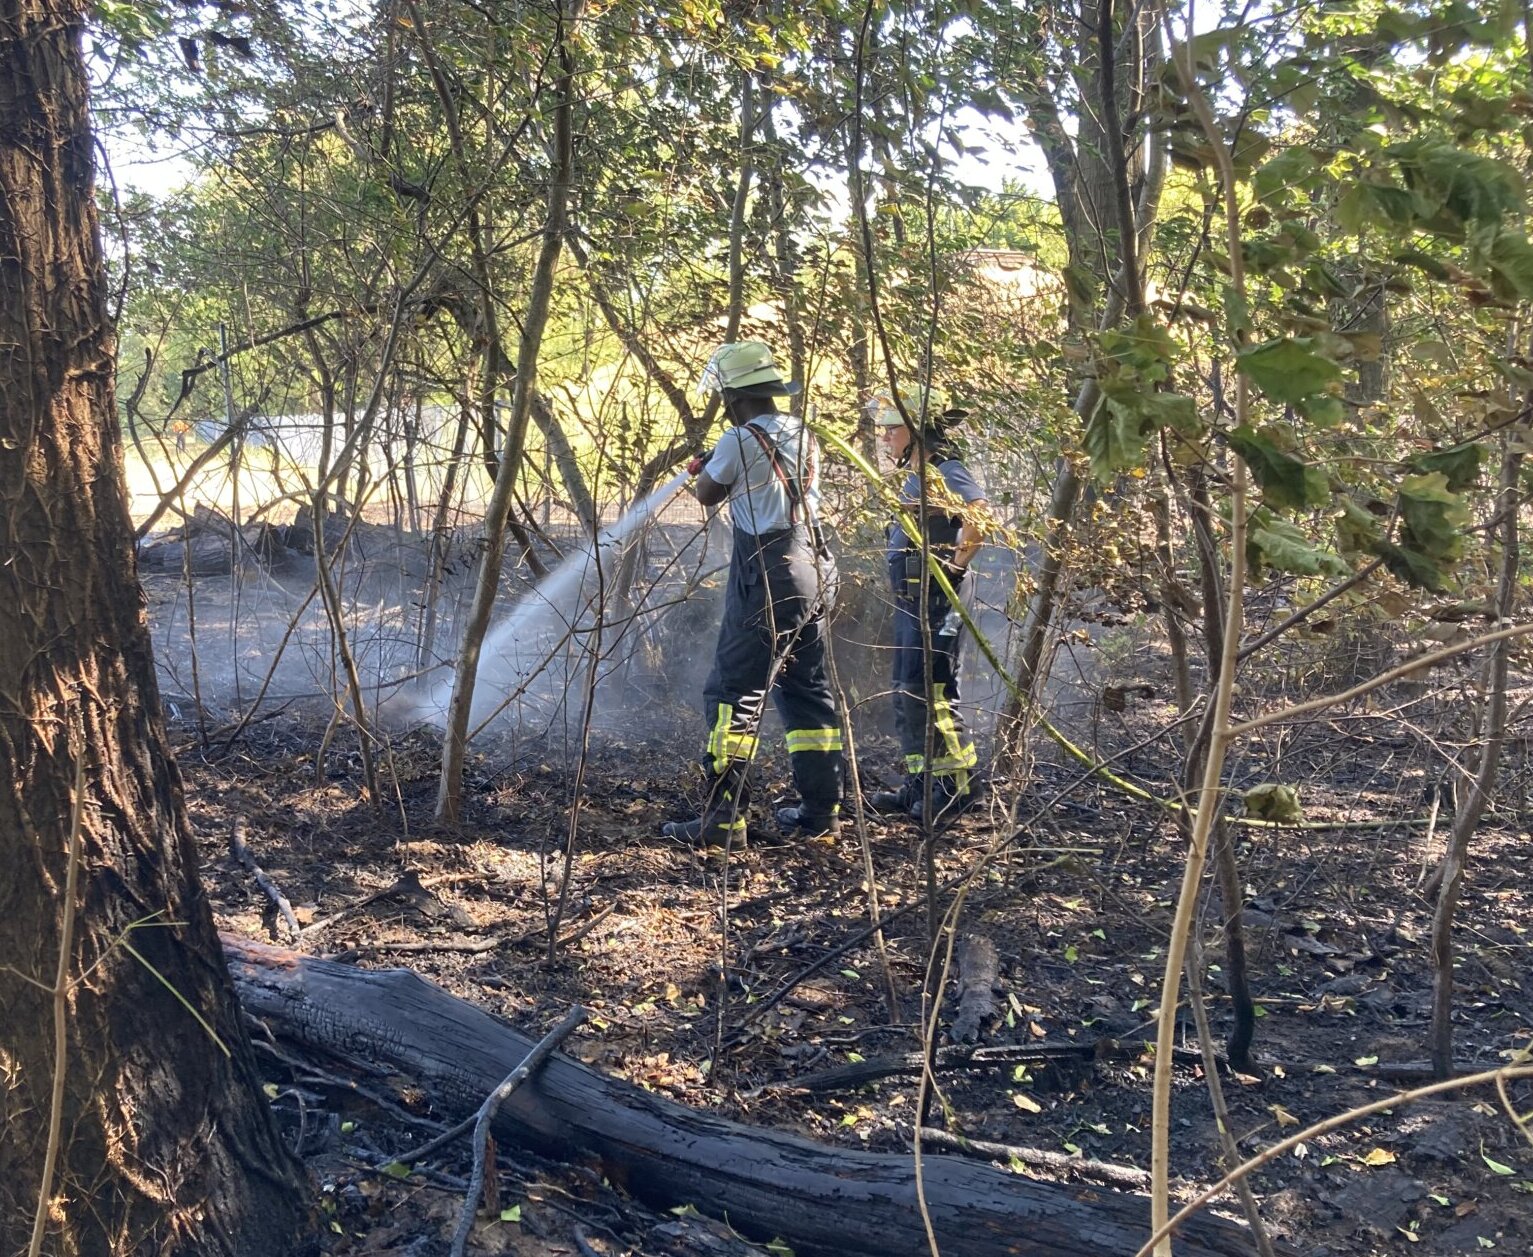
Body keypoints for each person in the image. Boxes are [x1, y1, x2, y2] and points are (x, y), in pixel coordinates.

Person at [660, 341, 845, 844]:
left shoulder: (738, 440)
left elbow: (707, 495)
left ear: (731, 395)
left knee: (731, 695)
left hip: (764, 574)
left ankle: (723, 821)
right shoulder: (804, 435)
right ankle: (822, 813)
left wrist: (705, 466)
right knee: (806, 692)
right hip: (812, 569)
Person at [867, 383, 989, 823]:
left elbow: (979, 513)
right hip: (912, 602)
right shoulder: (920, 472)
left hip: (937, 599)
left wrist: (955, 568)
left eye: (891, 429)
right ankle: (921, 785)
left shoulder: (945, 465)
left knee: (934, 693)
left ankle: (957, 787)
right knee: (909, 693)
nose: (884, 438)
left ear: (918, 430)